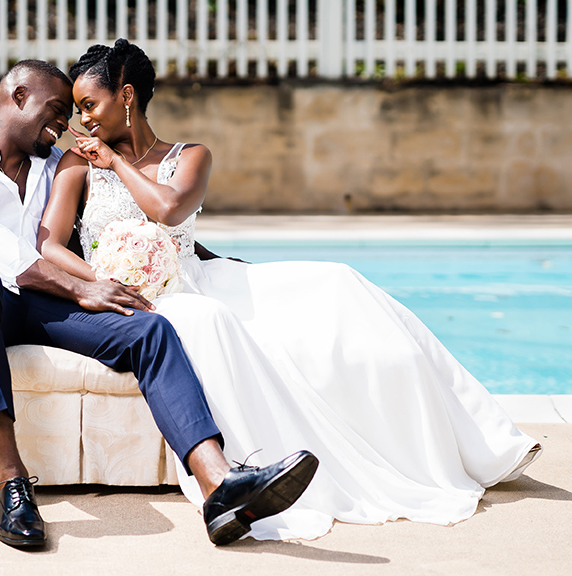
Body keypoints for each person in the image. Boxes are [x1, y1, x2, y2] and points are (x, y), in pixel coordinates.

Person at [37, 40, 543, 541]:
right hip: (141, 297)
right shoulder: (75, 163)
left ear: (126, 96)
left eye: (90, 105)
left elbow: (169, 211)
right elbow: (50, 245)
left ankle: (486, 440)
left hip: (197, 276)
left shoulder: (190, 156)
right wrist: (98, 280)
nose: (83, 122)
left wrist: (116, 161)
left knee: (338, 283)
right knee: (211, 322)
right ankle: (245, 477)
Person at [0, 59, 319, 549]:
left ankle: (218, 485)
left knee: (150, 327)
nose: (66, 123)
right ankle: (10, 481)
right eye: (58, 110)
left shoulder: (52, 164)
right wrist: (82, 287)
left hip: (38, 301)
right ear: (18, 97)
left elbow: (94, 229)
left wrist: (197, 258)